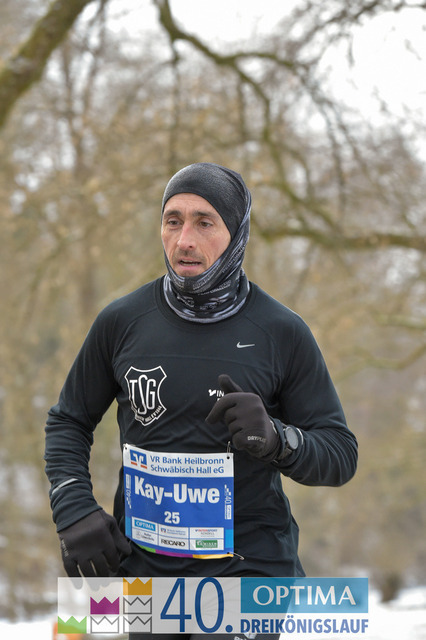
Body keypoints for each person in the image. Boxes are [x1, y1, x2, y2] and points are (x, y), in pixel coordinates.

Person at [45, 162, 358, 640]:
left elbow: (340, 455)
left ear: (235, 234)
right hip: (143, 567)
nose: (184, 240)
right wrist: (73, 507)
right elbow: (69, 420)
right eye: (173, 221)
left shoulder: (281, 331)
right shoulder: (122, 322)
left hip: (249, 566)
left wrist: (279, 439)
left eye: (204, 222)